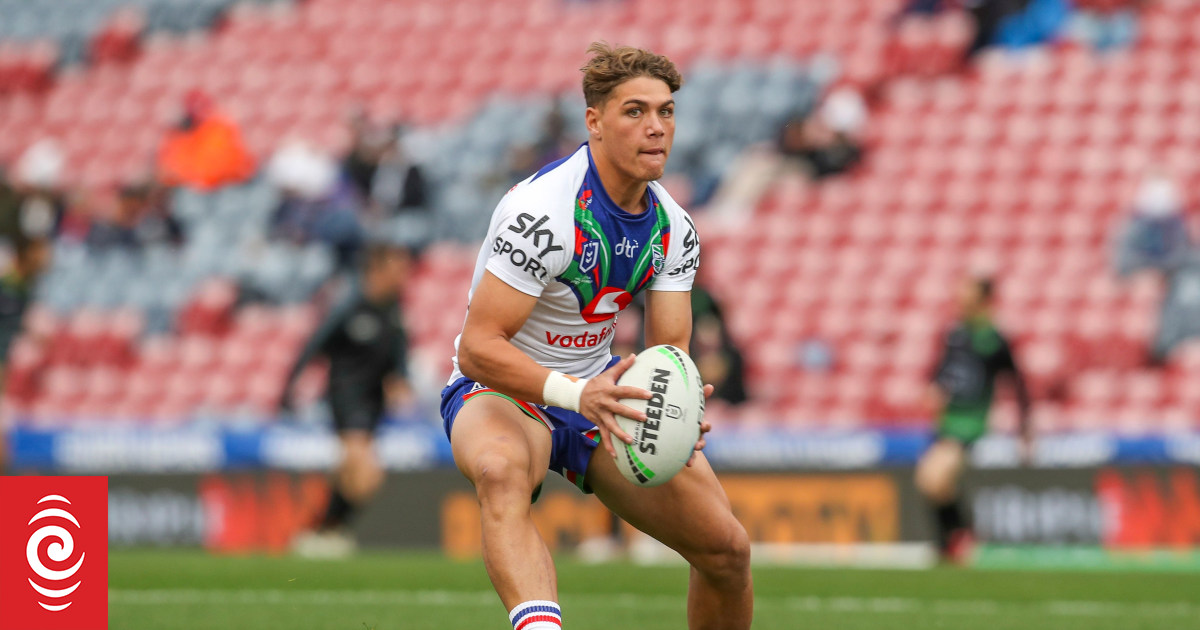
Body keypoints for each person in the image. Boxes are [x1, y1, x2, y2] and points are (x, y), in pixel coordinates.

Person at [440, 43, 752, 630]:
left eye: (666, 111)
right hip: (504, 390)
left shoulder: (675, 228)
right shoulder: (542, 214)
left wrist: (680, 404)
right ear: (595, 122)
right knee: (502, 472)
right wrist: (575, 394)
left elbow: (670, 354)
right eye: (635, 111)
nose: (656, 127)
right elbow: (480, 349)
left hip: (600, 393)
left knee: (726, 551)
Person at [281, 240, 413, 557]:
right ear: (376, 269)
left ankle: (323, 531)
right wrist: (288, 391)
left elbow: (399, 353)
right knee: (368, 474)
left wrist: (401, 381)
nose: (404, 274)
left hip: (373, 405)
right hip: (346, 399)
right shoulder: (349, 307)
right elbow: (312, 347)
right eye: (397, 267)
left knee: (353, 475)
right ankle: (326, 530)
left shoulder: (393, 309)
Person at [916, 276, 1032, 563]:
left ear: (982, 299)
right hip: (947, 420)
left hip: (971, 422)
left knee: (932, 478)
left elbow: (1017, 383)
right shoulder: (955, 333)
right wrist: (934, 388)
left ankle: (957, 537)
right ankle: (956, 540)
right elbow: (942, 369)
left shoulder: (993, 339)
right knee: (937, 484)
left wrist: (1025, 429)